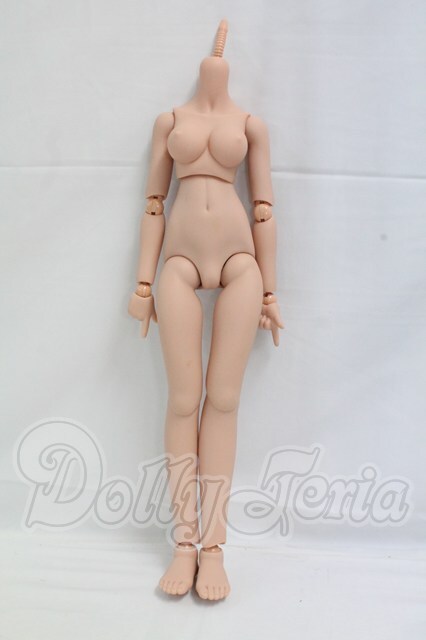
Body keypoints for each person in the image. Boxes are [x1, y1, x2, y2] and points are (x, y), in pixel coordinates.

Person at [128, 19, 283, 601]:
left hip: (241, 262)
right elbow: (154, 202)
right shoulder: (169, 121)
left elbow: (264, 208)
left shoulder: (251, 124)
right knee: (183, 399)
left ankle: (213, 547)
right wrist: (143, 282)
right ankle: (184, 541)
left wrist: (270, 291)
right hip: (179, 263)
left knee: (223, 399)